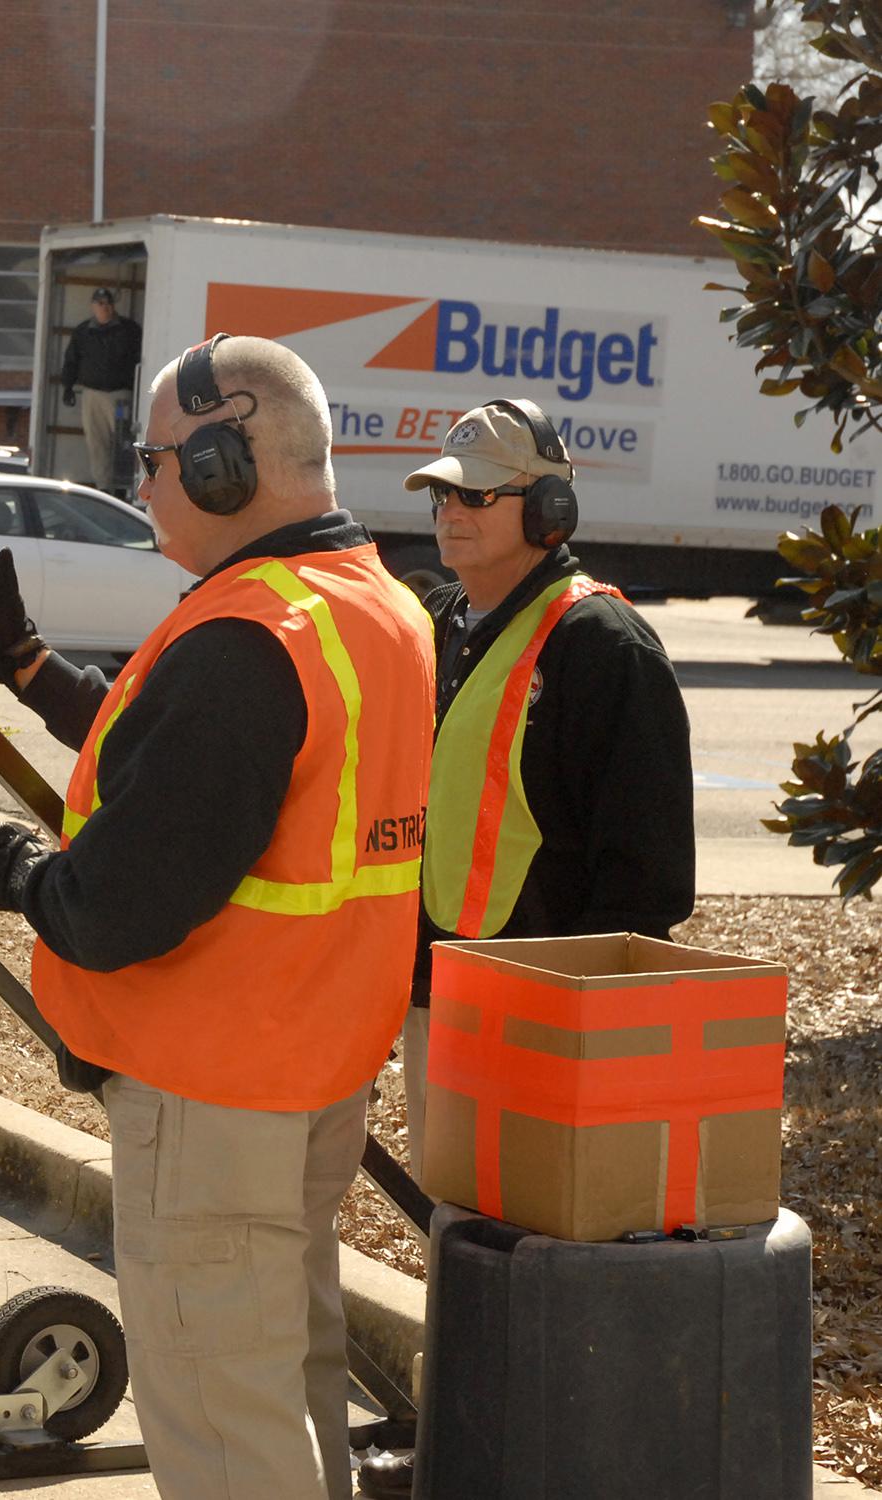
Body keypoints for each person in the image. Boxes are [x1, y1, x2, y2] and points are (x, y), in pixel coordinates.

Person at [0, 335, 436, 1500]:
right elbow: (198, 777)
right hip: (306, 1070)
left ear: (219, 467)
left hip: (215, 1091)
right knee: (283, 1382)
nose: (137, 484)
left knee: (216, 1424)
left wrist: (16, 871)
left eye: (148, 460)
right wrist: (28, 664)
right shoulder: (363, 602)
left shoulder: (248, 637)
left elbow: (117, 906)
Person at [353, 402, 694, 1497]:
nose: (449, 512)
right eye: (442, 494)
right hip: (446, 999)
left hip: (550, 1019)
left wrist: (592, 1022)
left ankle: (533, 1451)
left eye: (474, 495)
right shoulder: (453, 625)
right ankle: (468, 1437)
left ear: (546, 511)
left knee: (542, 1246)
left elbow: (648, 876)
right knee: (464, 1235)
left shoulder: (603, 646)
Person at [58, 288, 142, 489]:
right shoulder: (83, 331)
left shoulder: (129, 330)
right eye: (101, 303)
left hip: (121, 395)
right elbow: (71, 361)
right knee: (97, 445)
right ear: (93, 306)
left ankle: (123, 489)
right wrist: (67, 387)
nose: (105, 307)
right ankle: (103, 488)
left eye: (108, 303)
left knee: (123, 444)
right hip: (92, 395)